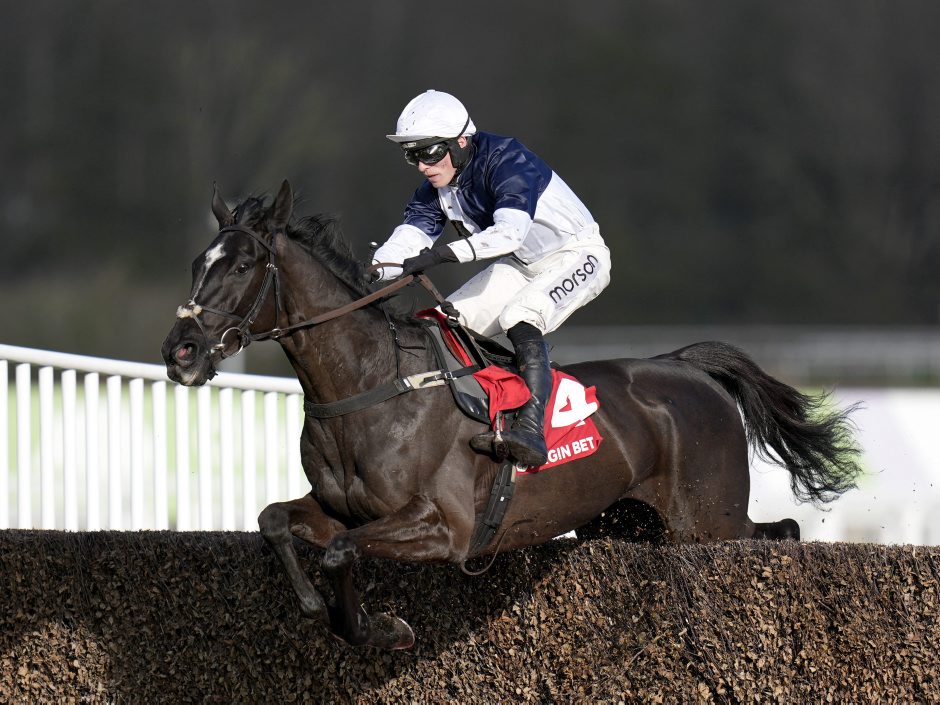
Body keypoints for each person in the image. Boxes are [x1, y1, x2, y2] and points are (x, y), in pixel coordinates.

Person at [372, 90, 611, 467]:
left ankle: (531, 429)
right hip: (522, 264)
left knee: (521, 315)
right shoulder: (438, 185)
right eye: (412, 155)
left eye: (428, 152)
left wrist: (441, 255)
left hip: (579, 255)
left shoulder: (507, 160)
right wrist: (372, 270)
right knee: (440, 325)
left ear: (460, 142)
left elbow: (510, 233)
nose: (421, 166)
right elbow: (410, 237)